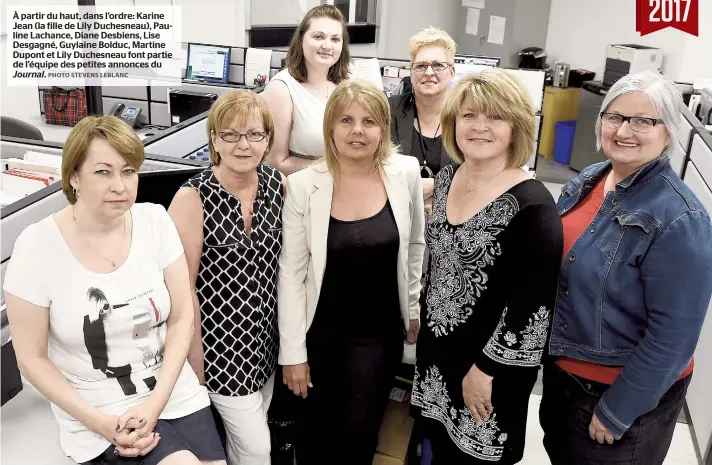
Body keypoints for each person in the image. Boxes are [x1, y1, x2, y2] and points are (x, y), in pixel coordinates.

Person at [2, 115, 226, 465]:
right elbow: (31, 359)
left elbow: (183, 317)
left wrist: (156, 402)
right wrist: (102, 424)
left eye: (128, 171)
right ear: (74, 176)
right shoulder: (37, 245)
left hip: (171, 390)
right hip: (97, 405)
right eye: (103, 172)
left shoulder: (154, 221)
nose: (120, 186)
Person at [539, 71, 712, 465]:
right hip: (566, 378)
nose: (624, 130)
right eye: (614, 117)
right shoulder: (588, 181)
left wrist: (620, 409)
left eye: (643, 121)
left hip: (618, 398)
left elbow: (674, 337)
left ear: (668, 133)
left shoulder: (680, 220)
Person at [410, 68, 563, 465]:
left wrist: (485, 369)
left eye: (495, 117)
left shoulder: (534, 204)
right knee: (432, 449)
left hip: (489, 368)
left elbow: (533, 308)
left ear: (517, 128)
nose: (480, 127)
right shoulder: (446, 178)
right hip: (438, 355)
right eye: (468, 116)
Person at [277, 78, 425, 464]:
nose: (357, 131)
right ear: (330, 128)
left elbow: (414, 246)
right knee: (313, 438)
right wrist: (293, 353)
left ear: (383, 128)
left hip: (378, 336)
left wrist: (412, 307)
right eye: (346, 120)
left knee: (360, 438)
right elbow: (291, 274)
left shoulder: (405, 173)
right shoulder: (302, 186)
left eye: (368, 121)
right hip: (319, 335)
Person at [168, 90, 285, 465]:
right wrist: (194, 356)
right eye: (230, 134)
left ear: (267, 139)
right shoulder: (193, 198)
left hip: (266, 344)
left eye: (254, 134)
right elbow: (181, 287)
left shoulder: (275, 184)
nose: (242, 145)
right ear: (214, 139)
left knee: (246, 442)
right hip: (220, 350)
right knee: (257, 450)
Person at [262, 4, 352, 176]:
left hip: (343, 186)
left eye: (335, 39)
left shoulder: (345, 86)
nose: (327, 46)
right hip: (301, 191)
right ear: (301, 39)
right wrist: (333, 169)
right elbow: (276, 162)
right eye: (318, 37)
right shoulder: (281, 89)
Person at [389, 27, 457, 214]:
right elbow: (374, 163)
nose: (428, 72)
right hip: (396, 214)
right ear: (411, 73)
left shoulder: (466, 117)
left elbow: (477, 172)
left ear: (451, 72)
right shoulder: (388, 111)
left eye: (438, 65)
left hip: (451, 217)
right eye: (420, 66)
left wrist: (435, 186)